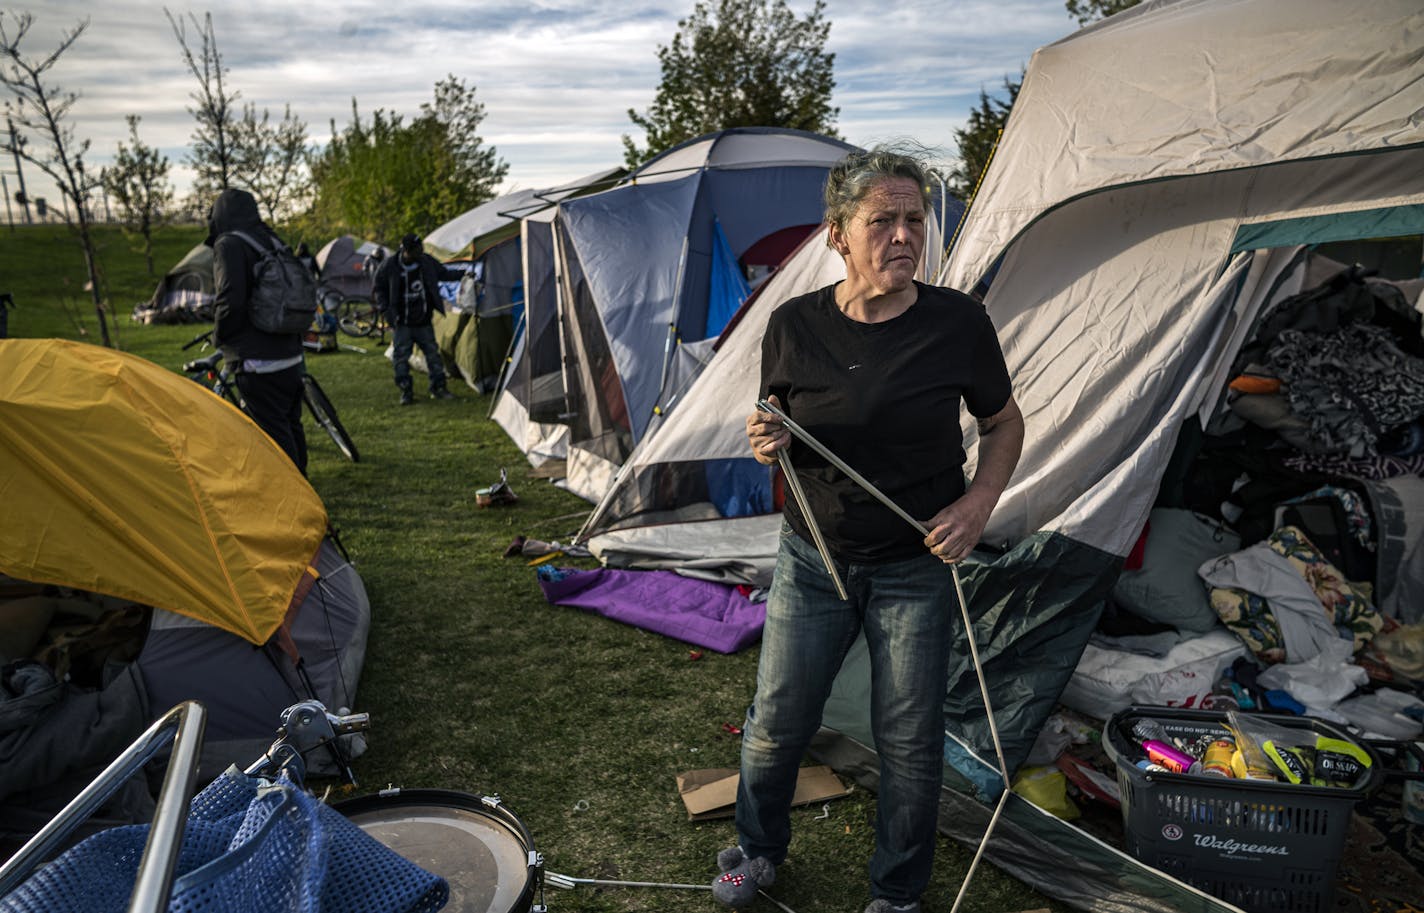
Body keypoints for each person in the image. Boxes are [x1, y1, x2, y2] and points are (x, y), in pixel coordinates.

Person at [713, 148, 1025, 913]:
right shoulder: (792, 326)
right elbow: (776, 420)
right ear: (837, 235)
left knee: (910, 737)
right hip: (814, 555)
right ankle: (756, 851)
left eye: (914, 218)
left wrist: (978, 503)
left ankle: (896, 894)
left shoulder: (957, 322)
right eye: (881, 220)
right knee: (778, 719)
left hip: (913, 563)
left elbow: (1003, 423)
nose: (902, 235)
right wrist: (766, 437)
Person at [207, 187, 307, 474]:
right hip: (290, 351)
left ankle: (296, 499)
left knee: (273, 435)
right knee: (290, 425)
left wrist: (220, 336)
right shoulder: (270, 239)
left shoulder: (229, 244)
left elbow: (230, 298)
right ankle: (305, 486)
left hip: (257, 359)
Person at [373, 233, 461, 405]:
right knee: (400, 358)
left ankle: (438, 388)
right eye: (417, 250)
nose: (420, 252)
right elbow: (379, 288)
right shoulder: (390, 266)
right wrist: (386, 310)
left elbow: (444, 273)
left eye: (421, 249)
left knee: (433, 356)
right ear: (406, 250)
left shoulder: (426, 262)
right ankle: (406, 391)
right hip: (402, 322)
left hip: (423, 320)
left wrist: (466, 273)